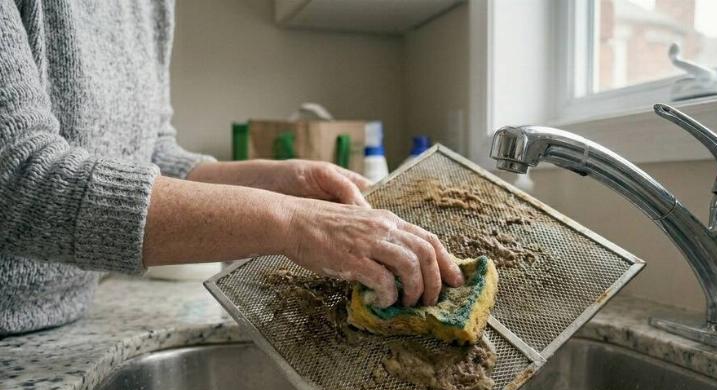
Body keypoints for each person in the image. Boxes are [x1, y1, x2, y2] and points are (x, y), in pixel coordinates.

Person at [0, 0, 463, 335]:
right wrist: (293, 222)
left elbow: (148, 157)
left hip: (63, 324)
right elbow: (19, 181)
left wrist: (281, 182)